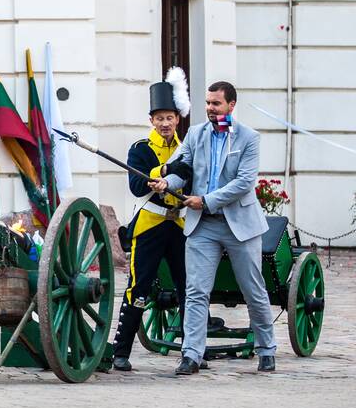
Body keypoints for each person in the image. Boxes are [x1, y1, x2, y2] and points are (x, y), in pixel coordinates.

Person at [151, 80, 278, 375]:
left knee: (253, 290)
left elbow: (244, 183)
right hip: (202, 226)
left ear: (231, 105)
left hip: (240, 226)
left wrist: (206, 200)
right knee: (196, 291)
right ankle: (192, 354)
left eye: (216, 104)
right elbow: (180, 168)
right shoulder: (195, 134)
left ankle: (267, 349)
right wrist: (166, 183)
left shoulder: (249, 138)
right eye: (207, 103)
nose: (210, 108)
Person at [110, 71, 190, 371]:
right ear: (152, 121)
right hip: (150, 224)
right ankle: (121, 350)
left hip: (180, 226)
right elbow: (135, 185)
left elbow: (191, 177)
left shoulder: (187, 147)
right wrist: (156, 177)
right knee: (138, 287)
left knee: (188, 288)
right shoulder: (140, 149)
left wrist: (168, 175)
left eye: (169, 117)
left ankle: (193, 350)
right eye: (159, 118)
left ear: (177, 119)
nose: (165, 123)